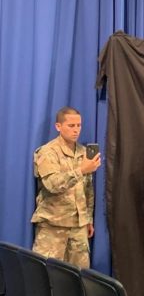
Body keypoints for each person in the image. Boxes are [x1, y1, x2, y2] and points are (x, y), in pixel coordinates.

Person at [31, 107, 100, 267]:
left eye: (79, 125)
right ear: (58, 126)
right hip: (53, 226)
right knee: (46, 276)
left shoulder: (83, 152)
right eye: (71, 126)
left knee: (79, 278)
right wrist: (81, 170)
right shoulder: (48, 152)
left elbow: (88, 189)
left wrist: (88, 218)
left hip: (78, 227)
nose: (76, 130)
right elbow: (52, 185)